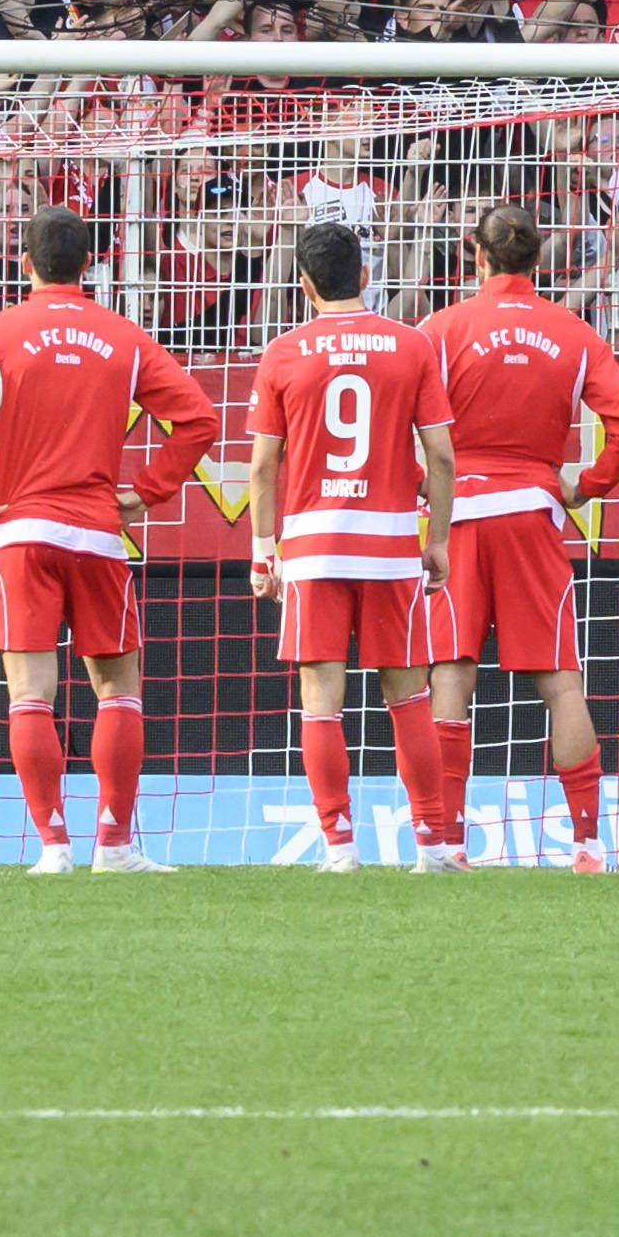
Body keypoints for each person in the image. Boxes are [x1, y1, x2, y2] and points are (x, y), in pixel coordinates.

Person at [0, 210, 226, 875]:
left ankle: (53, 845)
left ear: (24, 262)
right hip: (95, 530)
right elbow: (199, 417)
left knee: (31, 691)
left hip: (20, 530)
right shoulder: (121, 335)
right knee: (118, 688)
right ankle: (114, 845)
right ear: (89, 264)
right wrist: (149, 487)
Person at [423, 207, 619, 874]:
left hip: (460, 515)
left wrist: (421, 482)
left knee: (452, 673)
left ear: (478, 256)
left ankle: (448, 843)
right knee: (560, 683)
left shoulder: (443, 329)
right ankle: (586, 844)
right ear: (538, 260)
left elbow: (400, 416)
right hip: (533, 513)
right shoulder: (574, 332)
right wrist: (587, 483)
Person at [241, 223, 458, 874]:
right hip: (390, 543)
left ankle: (339, 848)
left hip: (313, 545)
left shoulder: (283, 352)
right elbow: (442, 455)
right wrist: (439, 539)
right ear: (365, 276)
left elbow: (260, 467)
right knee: (409, 697)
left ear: (303, 285)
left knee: (321, 699)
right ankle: (433, 844)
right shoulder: (410, 344)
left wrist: (261, 551)